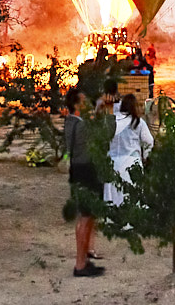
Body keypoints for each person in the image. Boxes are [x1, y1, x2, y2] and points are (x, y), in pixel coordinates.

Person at [63, 87, 104, 277]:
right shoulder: (81, 126)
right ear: (78, 104)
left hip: (77, 169)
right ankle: (80, 264)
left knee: (86, 216)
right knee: (85, 218)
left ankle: (84, 260)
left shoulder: (70, 122)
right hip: (86, 171)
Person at [104, 93, 155, 210]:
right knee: (130, 195)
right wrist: (146, 157)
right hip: (131, 162)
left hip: (113, 161)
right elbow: (148, 141)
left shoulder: (113, 120)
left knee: (114, 195)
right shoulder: (138, 122)